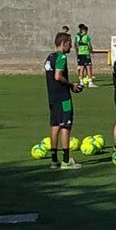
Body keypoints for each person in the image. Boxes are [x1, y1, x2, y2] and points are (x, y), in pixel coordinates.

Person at [45, 32, 83, 169]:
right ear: (63, 43)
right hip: (63, 98)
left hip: (52, 97)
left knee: (55, 126)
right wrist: (71, 85)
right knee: (66, 126)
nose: (71, 46)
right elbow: (58, 76)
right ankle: (66, 161)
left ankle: (54, 160)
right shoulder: (61, 56)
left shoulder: (50, 57)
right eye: (69, 43)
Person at [75, 24, 96, 88]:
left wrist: (77, 52)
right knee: (88, 68)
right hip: (86, 53)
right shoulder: (86, 36)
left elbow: (76, 45)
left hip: (80, 54)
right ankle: (90, 83)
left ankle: (81, 82)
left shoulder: (77, 36)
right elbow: (89, 45)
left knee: (81, 68)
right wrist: (91, 51)